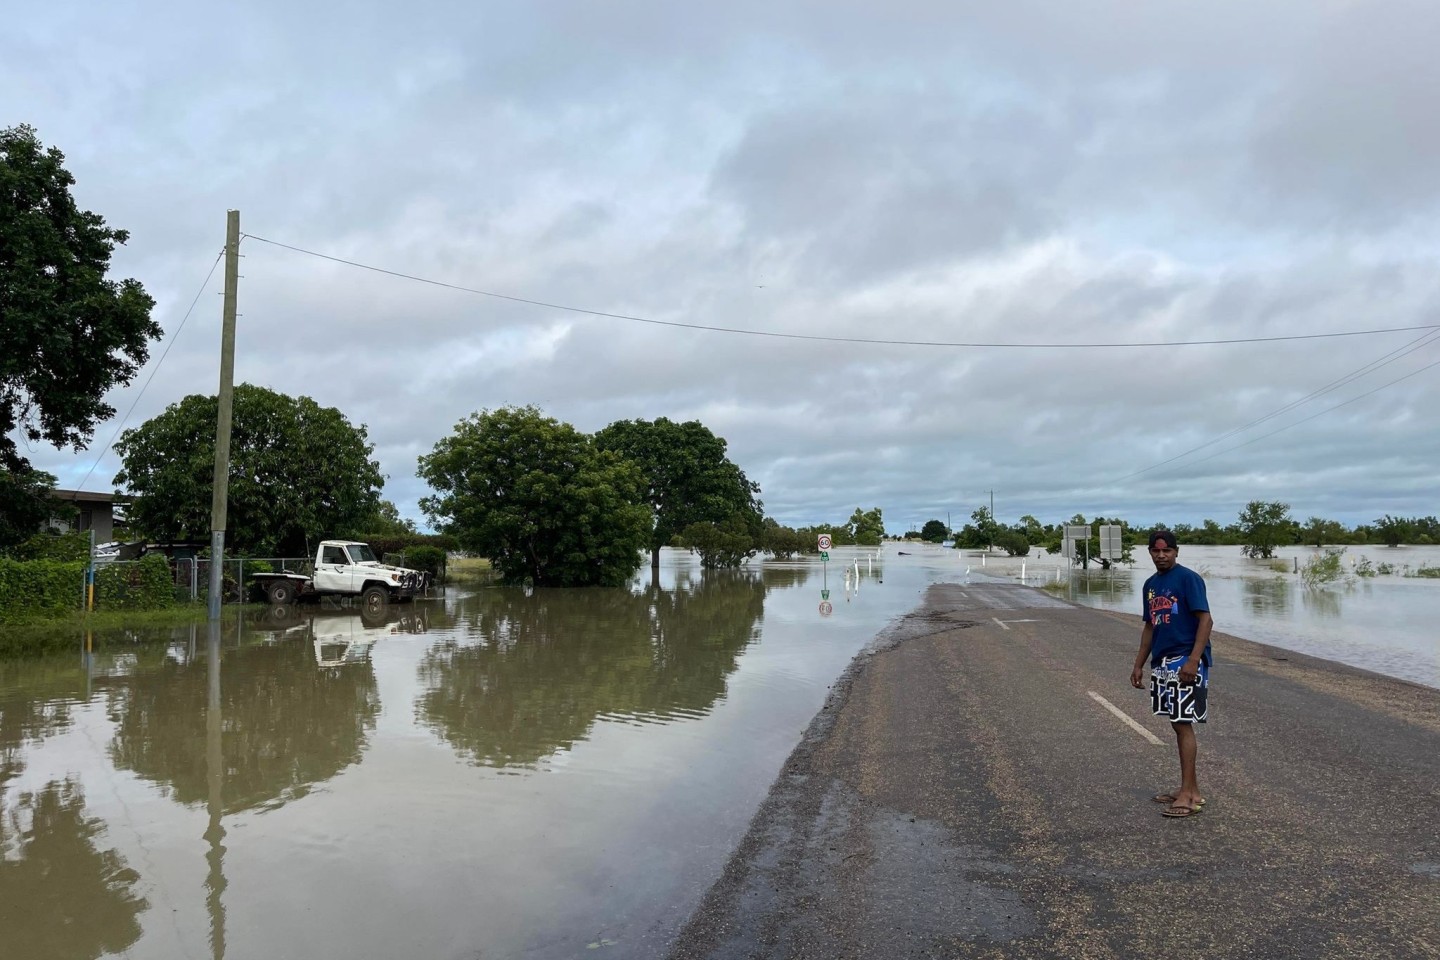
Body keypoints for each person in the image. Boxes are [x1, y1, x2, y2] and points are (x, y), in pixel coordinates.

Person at [1129, 529, 1213, 819]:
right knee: (1177, 725)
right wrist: (1139, 663)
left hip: (1185, 662)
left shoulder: (1189, 579)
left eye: (1167, 551)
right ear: (1150, 552)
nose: (1162, 556)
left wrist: (1193, 660)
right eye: (1156, 551)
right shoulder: (1151, 585)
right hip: (1163, 663)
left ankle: (1190, 796)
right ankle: (1188, 788)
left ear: (1176, 552)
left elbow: (1206, 620)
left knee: (1182, 723)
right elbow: (1150, 627)